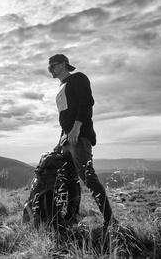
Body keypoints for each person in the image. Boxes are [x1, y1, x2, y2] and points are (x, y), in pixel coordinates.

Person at [48, 54, 117, 230]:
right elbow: (65, 116)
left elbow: (87, 102)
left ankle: (110, 221)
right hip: (66, 137)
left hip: (78, 136)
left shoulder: (78, 78)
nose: (50, 70)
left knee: (88, 177)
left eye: (53, 66)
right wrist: (62, 137)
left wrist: (77, 128)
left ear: (63, 65)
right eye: (49, 67)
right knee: (68, 177)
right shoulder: (62, 86)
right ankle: (71, 216)